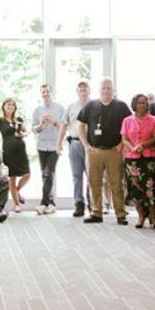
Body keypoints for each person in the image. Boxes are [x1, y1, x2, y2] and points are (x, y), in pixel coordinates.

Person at [77, 78, 132, 225]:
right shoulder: (90, 106)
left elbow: (129, 126)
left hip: (114, 151)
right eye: (103, 88)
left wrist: (121, 145)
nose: (106, 90)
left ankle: (120, 214)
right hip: (94, 151)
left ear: (113, 90)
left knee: (116, 183)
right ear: (99, 89)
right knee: (94, 183)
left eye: (108, 88)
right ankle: (96, 213)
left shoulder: (121, 106)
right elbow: (80, 125)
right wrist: (86, 145)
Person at [122, 94, 155, 228]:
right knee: (135, 189)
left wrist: (143, 145)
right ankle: (141, 217)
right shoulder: (127, 120)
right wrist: (133, 148)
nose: (142, 105)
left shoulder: (153, 120)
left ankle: (153, 217)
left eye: (144, 103)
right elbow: (124, 139)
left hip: (149, 159)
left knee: (151, 188)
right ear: (134, 104)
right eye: (139, 103)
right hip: (132, 160)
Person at [58, 80, 91, 217]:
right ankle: (79, 204)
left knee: (92, 176)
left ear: (89, 90)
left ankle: (92, 203)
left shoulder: (94, 105)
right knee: (77, 176)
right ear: (77, 91)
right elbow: (64, 125)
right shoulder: (71, 107)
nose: (83, 90)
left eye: (85, 87)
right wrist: (58, 143)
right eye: (80, 88)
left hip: (91, 145)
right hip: (75, 144)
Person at [31, 84, 63, 215]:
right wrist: (41, 124)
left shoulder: (60, 108)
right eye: (43, 92)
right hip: (41, 146)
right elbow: (33, 129)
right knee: (45, 174)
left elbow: (64, 126)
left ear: (51, 92)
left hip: (55, 145)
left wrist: (54, 121)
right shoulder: (37, 110)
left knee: (48, 173)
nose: (45, 94)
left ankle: (44, 202)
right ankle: (50, 203)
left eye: (47, 91)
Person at [0, 98, 30, 214]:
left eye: (12, 105)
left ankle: (17, 191)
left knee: (27, 175)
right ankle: (16, 204)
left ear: (15, 107)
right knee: (12, 179)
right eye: (8, 105)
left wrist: (22, 134)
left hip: (21, 151)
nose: (10, 107)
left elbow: (27, 131)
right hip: (8, 152)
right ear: (3, 106)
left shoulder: (19, 119)